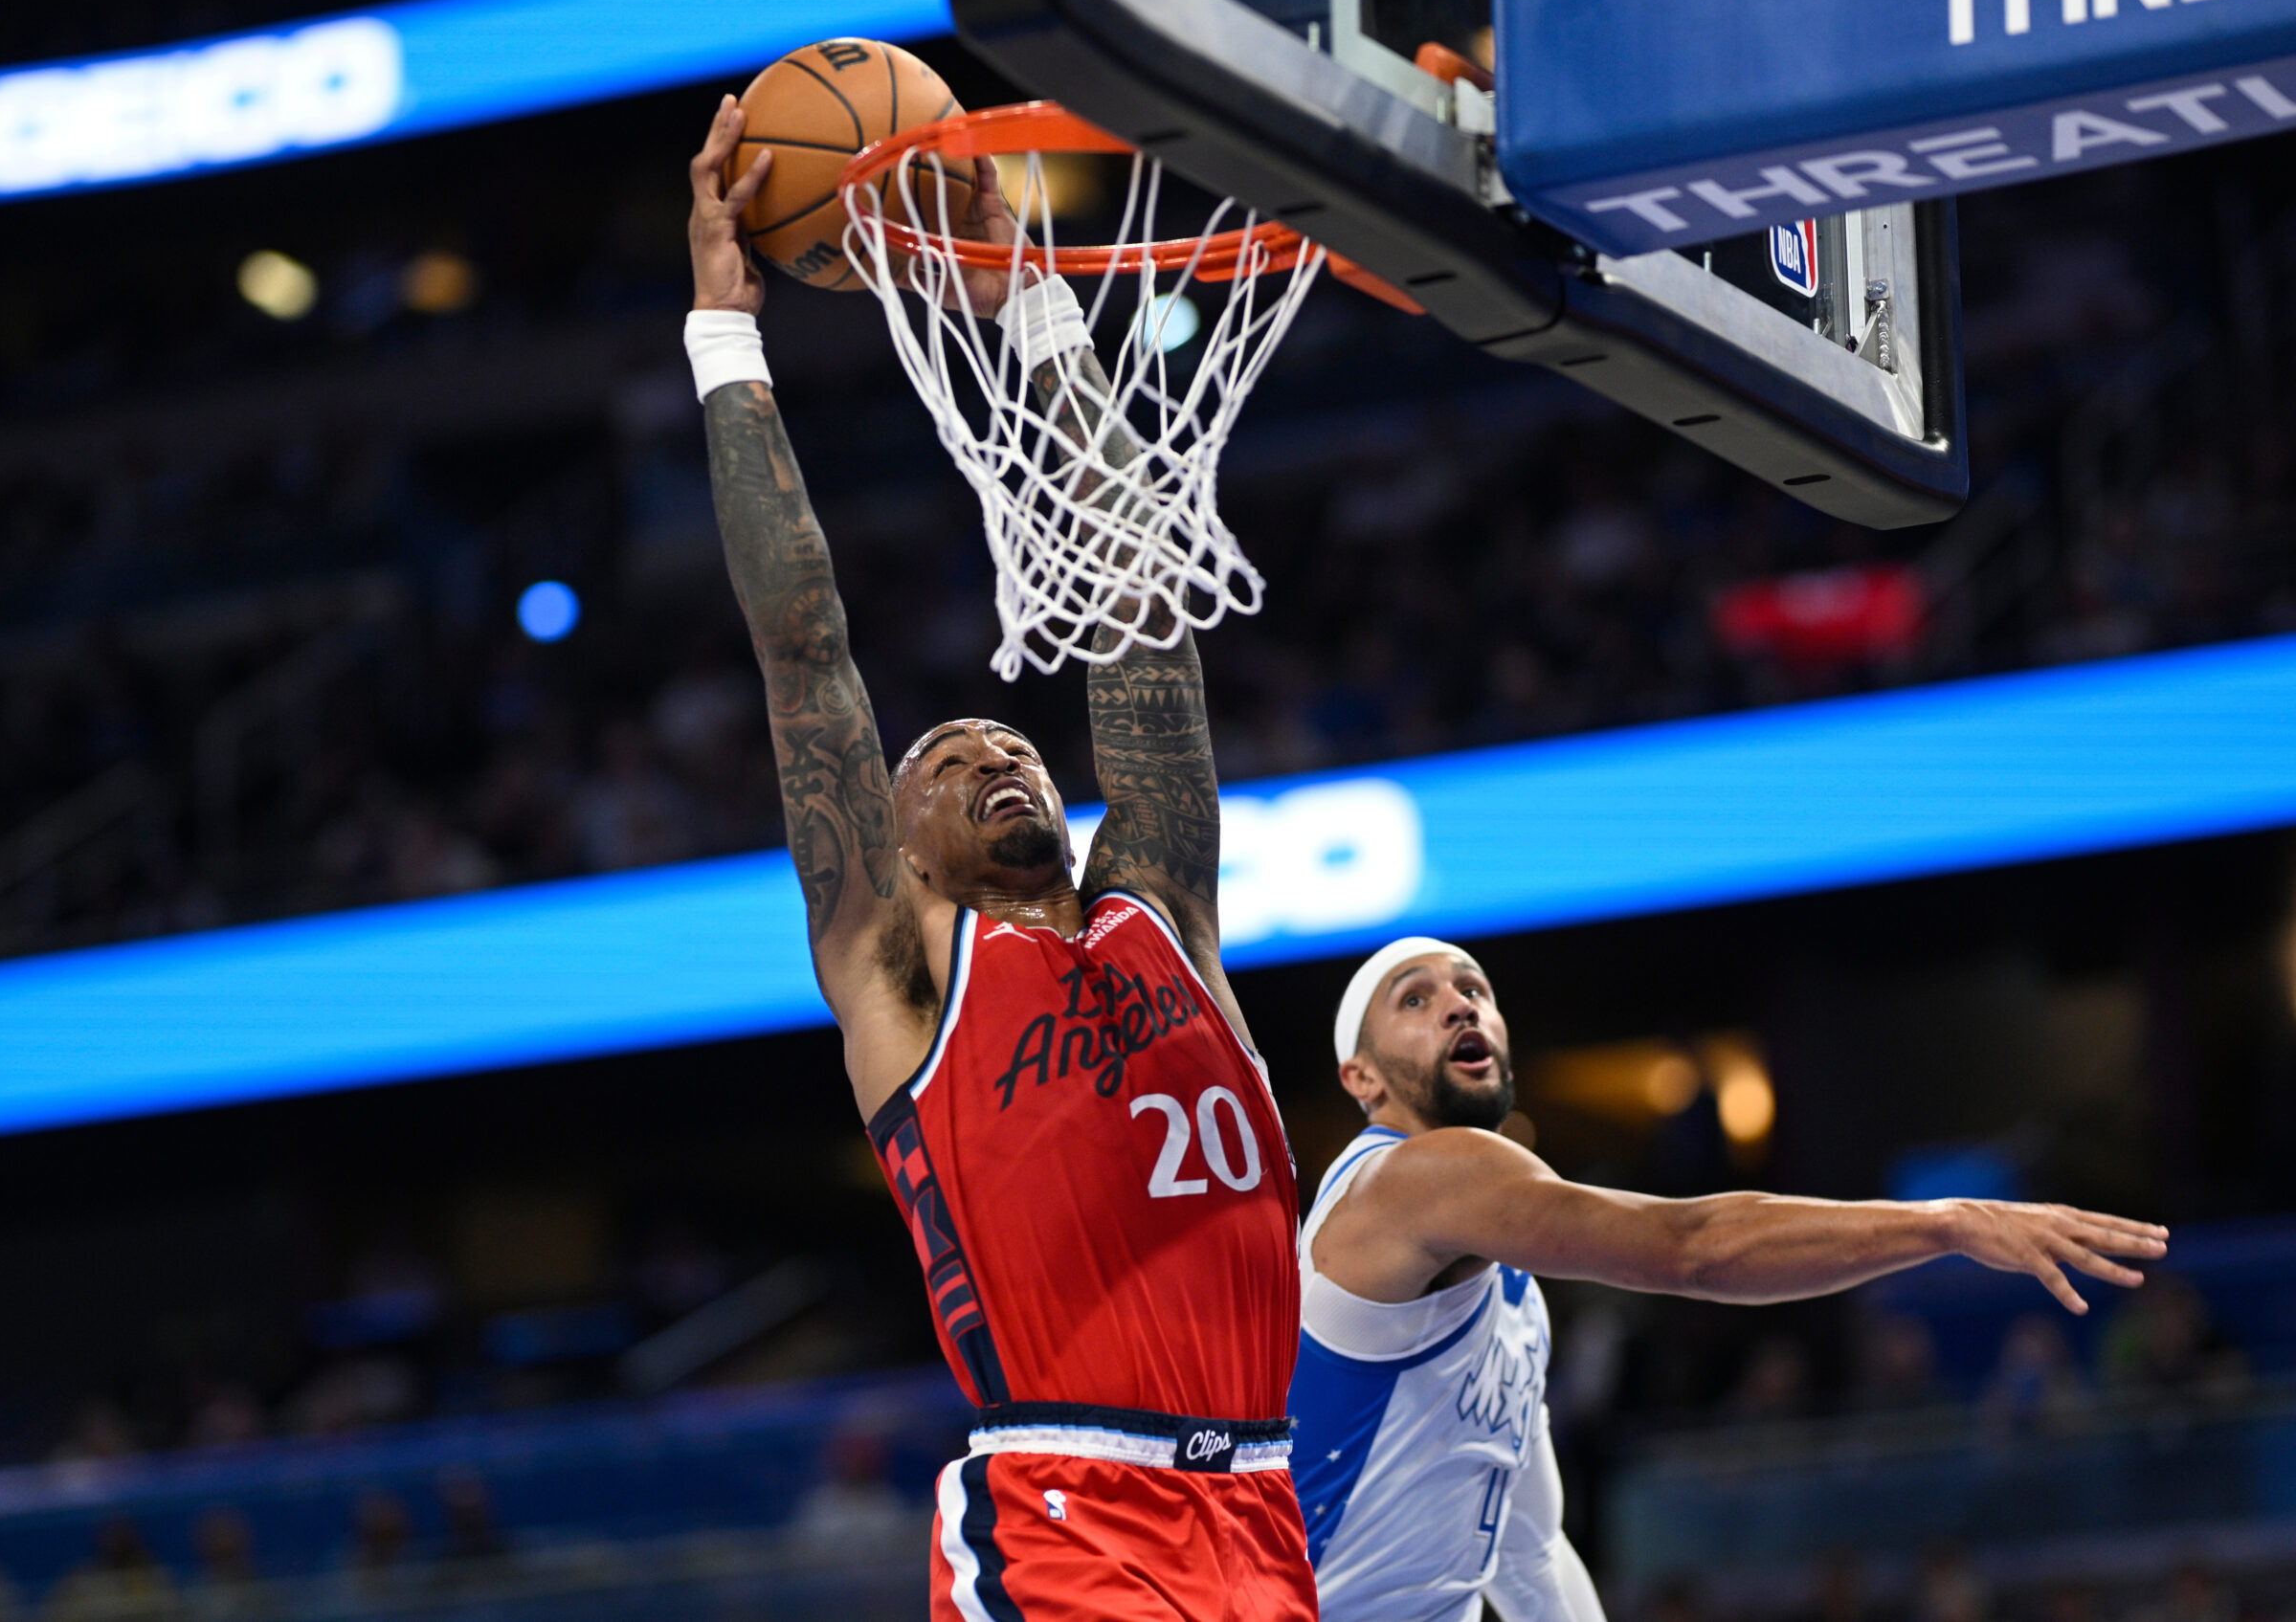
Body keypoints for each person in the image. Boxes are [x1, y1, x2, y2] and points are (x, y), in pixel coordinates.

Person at [685, 99, 1313, 1622]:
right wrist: (725, 337)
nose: (1000, 753)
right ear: (892, 844)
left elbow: (1136, 598)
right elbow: (805, 648)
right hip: (1068, 1506)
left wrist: (1026, 289)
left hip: (1267, 1506)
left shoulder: (1160, 905)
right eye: (948, 759)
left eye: (1014, 744)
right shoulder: (903, 966)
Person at [1289, 939, 2170, 1622]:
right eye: (1416, 999)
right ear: (1360, 1077)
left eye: (1472, 989)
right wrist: (1945, 1223)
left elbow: (1528, 1550)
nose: (1457, 1005)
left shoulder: (1512, 1286)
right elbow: (1692, 1247)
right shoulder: (1410, 1178)